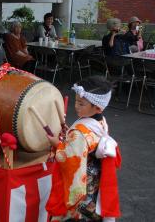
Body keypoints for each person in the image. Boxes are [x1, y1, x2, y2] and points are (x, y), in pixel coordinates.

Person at [46, 76, 121, 222]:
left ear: (97, 107)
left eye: (81, 103)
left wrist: (57, 143)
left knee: (75, 216)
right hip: (93, 180)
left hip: (82, 184)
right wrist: (70, 137)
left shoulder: (80, 132)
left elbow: (69, 159)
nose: (76, 106)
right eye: (76, 102)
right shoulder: (100, 121)